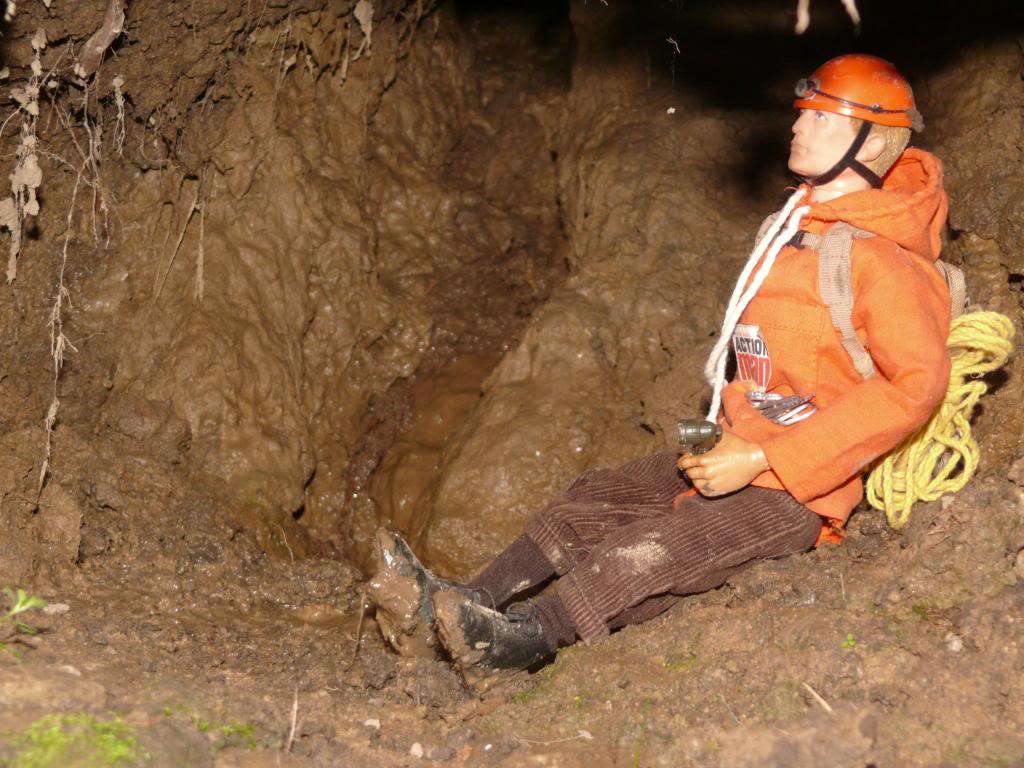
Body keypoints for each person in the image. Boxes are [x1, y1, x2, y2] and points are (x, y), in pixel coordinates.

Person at [368, 54, 952, 675]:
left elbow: (913, 386)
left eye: (822, 118)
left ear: (873, 141)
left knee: (656, 550)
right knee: (596, 498)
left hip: (804, 487)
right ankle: (467, 599)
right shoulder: (788, 230)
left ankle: (521, 641)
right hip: (742, 440)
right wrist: (734, 436)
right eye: (802, 113)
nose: (799, 126)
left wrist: (765, 459)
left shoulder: (883, 263)